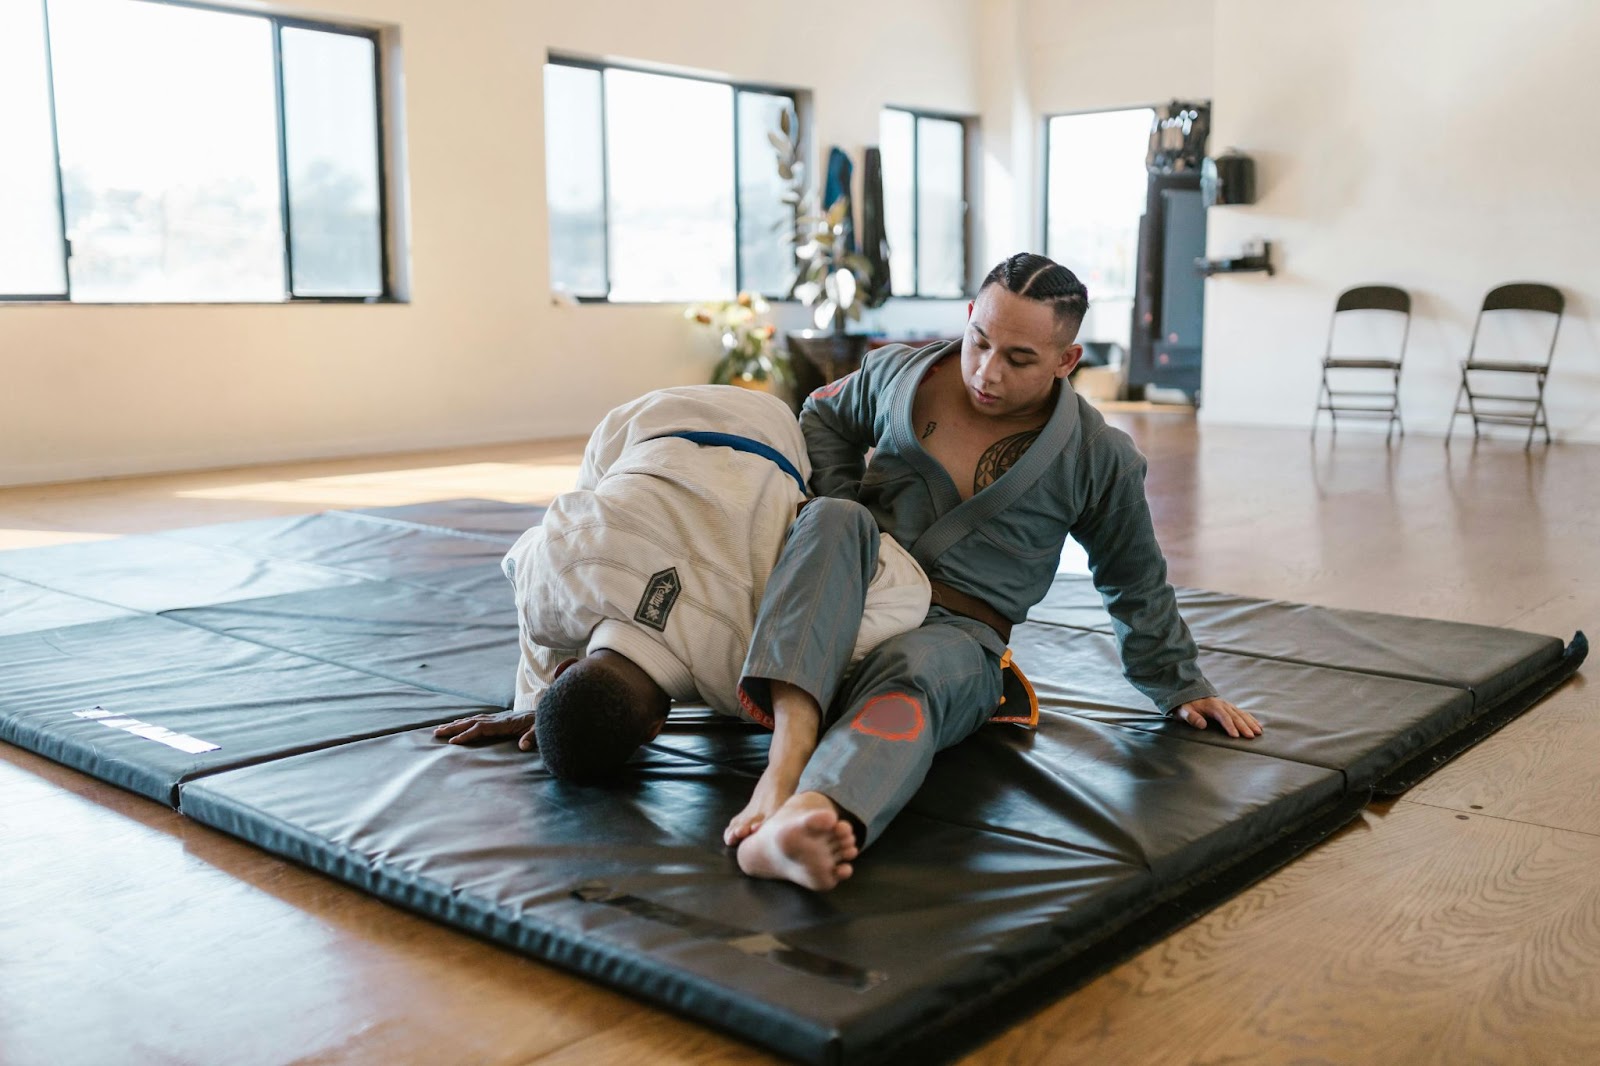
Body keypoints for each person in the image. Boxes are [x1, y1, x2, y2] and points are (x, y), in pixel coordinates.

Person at [731, 252, 1264, 892]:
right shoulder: (899, 373)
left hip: (957, 637)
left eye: (1019, 359)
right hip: (851, 587)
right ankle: (782, 769)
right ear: (969, 318)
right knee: (836, 518)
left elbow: (1134, 579)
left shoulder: (1099, 457)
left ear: (1067, 361)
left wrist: (1180, 682)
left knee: (919, 675)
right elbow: (821, 417)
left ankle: (812, 816)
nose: (987, 371)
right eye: (979, 341)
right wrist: (845, 498)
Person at [432, 384, 931, 883]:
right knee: (590, 506)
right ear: (568, 666)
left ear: (654, 730)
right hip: (646, 424)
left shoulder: (750, 672)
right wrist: (536, 696)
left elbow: (909, 592)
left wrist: (821, 606)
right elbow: (526, 571)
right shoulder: (561, 572)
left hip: (772, 438)